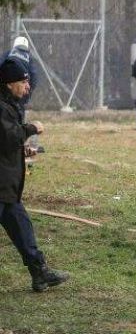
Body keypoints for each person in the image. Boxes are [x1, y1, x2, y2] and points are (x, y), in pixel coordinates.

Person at [0, 59, 69, 292]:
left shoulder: (10, 105)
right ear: (9, 83)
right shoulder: (1, 107)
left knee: (24, 230)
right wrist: (31, 128)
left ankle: (40, 274)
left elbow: (7, 142)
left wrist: (23, 149)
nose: (27, 86)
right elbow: (9, 137)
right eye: (23, 82)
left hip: (7, 189)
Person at [0, 36, 38, 113]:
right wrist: (28, 93)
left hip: (7, 87)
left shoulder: (9, 53)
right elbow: (34, 76)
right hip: (21, 89)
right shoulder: (29, 58)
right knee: (19, 110)